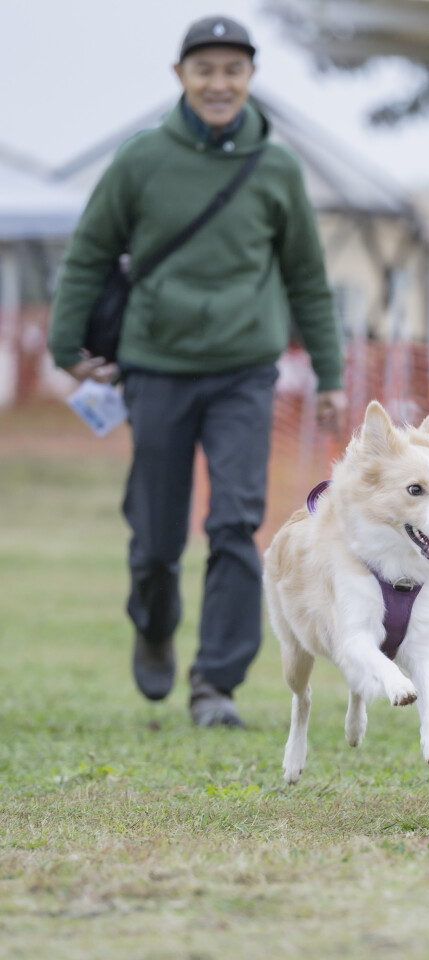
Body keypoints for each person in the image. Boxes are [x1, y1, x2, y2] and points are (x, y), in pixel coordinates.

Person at [48, 15, 346, 728]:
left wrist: (330, 373)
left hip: (245, 371)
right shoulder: (141, 159)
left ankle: (217, 684)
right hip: (155, 367)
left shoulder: (277, 168)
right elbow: (89, 254)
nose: (219, 83)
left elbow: (307, 278)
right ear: (180, 75)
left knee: (235, 522)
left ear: (250, 77)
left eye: (233, 70)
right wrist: (64, 347)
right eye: (205, 69)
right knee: (155, 537)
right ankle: (153, 624)